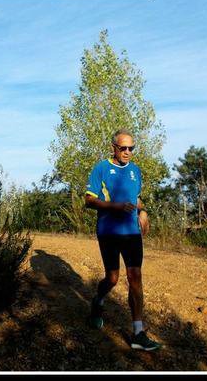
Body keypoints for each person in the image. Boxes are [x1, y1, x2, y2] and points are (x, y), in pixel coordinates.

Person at [84, 129, 161, 351]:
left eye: (131, 148)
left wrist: (143, 211)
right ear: (114, 148)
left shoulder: (135, 170)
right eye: (123, 148)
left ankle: (138, 333)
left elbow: (135, 198)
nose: (127, 152)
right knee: (113, 278)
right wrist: (114, 206)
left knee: (135, 276)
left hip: (132, 232)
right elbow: (89, 200)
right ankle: (98, 300)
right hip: (108, 231)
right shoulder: (101, 168)